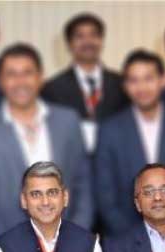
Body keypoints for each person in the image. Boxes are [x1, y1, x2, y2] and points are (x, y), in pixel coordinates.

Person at [0, 43, 93, 238]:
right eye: (11, 74)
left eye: (27, 73)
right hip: (4, 246)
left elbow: (83, 185)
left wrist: (76, 234)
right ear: (0, 81)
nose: (20, 82)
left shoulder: (68, 121)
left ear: (40, 77)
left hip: (67, 242)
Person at [94, 50, 165, 237]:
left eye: (148, 78)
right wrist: (135, 239)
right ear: (125, 86)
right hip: (124, 240)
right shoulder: (109, 130)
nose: (142, 87)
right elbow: (105, 197)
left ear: (163, 80)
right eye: (134, 80)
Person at [40, 13, 128, 152]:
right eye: (80, 36)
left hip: (116, 159)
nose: (88, 41)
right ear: (69, 44)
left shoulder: (122, 84)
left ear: (101, 40)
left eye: (93, 35)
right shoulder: (51, 88)